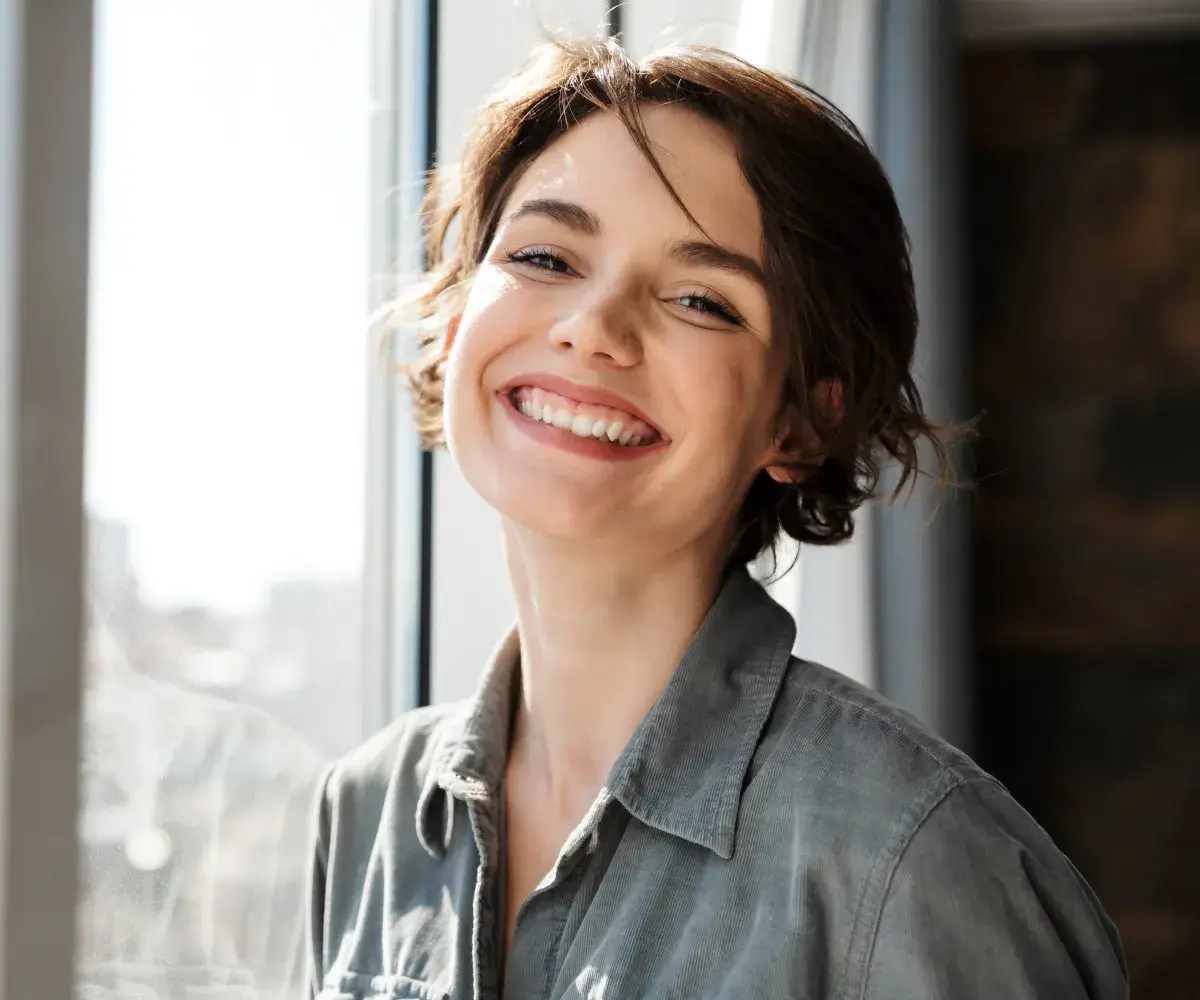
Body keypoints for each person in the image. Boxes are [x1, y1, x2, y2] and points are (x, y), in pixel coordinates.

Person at [306, 37, 1128, 1000]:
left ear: (801, 419)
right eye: (543, 255)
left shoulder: (914, 859)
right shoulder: (367, 812)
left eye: (702, 300)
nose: (594, 328)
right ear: (453, 330)